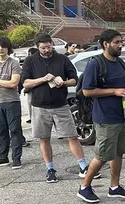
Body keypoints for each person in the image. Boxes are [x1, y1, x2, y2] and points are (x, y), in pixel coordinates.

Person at [21, 33, 97, 183]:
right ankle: (50, 169)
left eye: (49, 47)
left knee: (72, 137)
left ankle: (83, 166)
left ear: (52, 45)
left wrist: (63, 83)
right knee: (44, 139)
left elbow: (74, 79)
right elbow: (25, 83)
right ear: (38, 47)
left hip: (60, 105)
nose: (46, 50)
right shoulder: (30, 61)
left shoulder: (62, 59)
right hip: (39, 106)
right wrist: (43, 79)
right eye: (43, 48)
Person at [76, 29, 125, 203]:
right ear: (105, 44)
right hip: (105, 117)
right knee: (102, 155)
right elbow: (87, 91)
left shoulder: (120, 63)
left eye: (121, 42)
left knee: (119, 152)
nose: (121, 45)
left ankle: (115, 187)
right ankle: (84, 187)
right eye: (117, 42)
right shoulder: (96, 64)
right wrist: (115, 91)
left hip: (122, 114)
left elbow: (123, 85)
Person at [0, 36, 23, 169]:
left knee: (15, 129)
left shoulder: (14, 63)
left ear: (8, 48)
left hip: (12, 101)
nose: (1, 49)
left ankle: (16, 158)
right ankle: (2, 156)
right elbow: (9, 83)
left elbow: (14, 83)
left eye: (3, 46)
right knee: (1, 130)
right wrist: (6, 83)